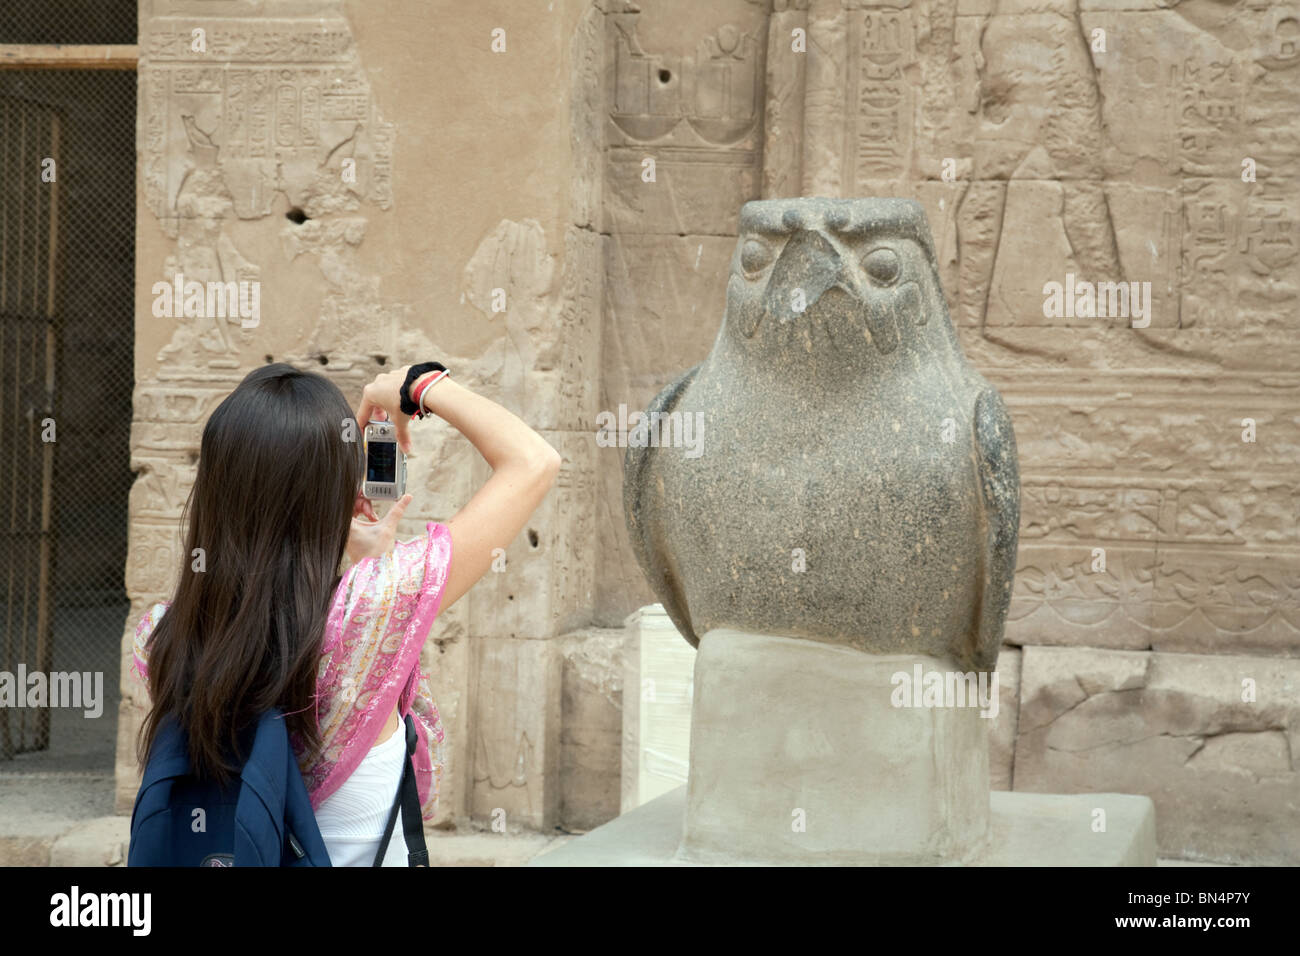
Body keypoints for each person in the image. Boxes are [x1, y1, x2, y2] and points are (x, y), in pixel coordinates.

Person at [131, 361, 560, 865]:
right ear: (338, 491)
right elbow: (534, 461)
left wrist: (337, 522)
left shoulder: (159, 636)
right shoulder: (375, 609)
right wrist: (413, 385)